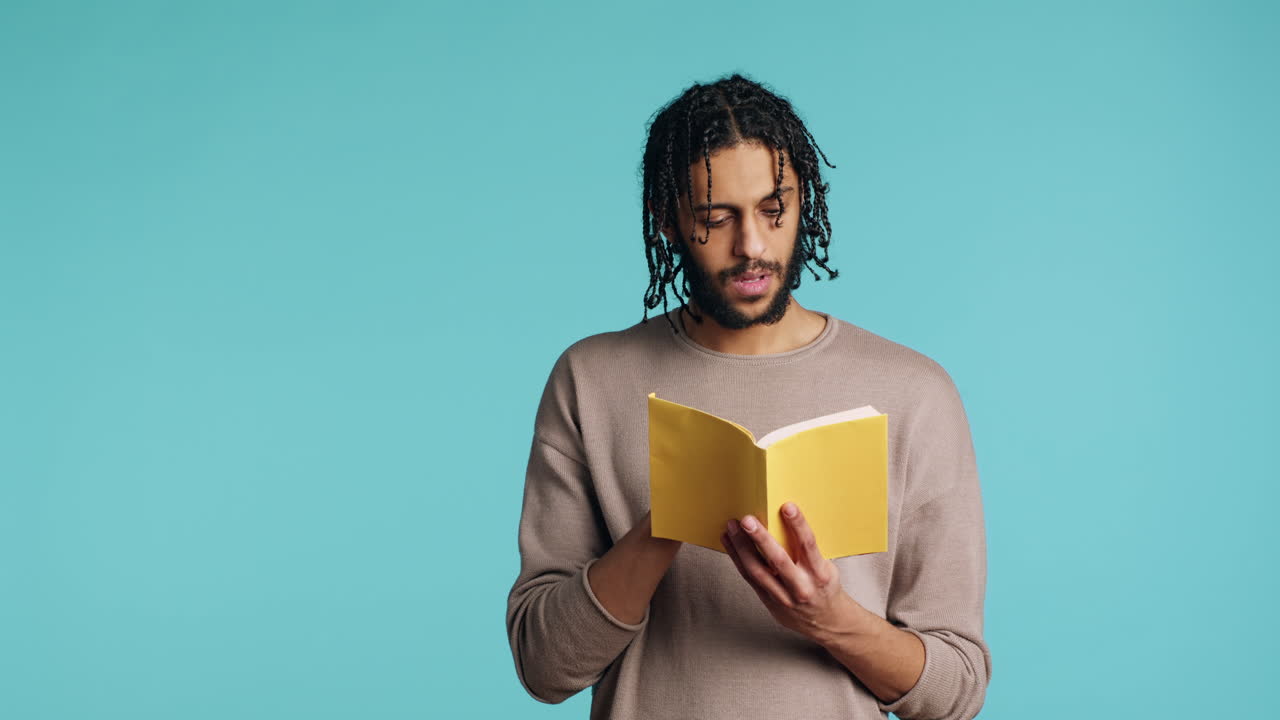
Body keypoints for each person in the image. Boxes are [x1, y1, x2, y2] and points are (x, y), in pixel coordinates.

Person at [505, 73, 991, 720]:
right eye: (716, 217)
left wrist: (830, 618)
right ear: (669, 223)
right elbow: (544, 667)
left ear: (804, 204)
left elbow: (957, 689)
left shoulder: (913, 394)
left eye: (773, 209)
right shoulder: (590, 381)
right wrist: (671, 520)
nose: (752, 247)